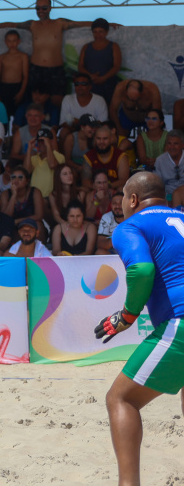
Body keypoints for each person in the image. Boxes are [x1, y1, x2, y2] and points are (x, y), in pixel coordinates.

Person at [94, 172, 184, 486]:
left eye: (121, 197)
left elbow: (142, 269)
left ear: (132, 200)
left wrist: (126, 317)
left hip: (180, 321)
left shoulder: (130, 225)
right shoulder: (180, 218)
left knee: (121, 399)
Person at [0, 0, 112, 106]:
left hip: (55, 69)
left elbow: (81, 23)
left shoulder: (59, 23)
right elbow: (12, 24)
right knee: (35, 103)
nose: (40, 11)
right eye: (38, 8)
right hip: (36, 69)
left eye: (44, 8)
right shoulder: (32, 25)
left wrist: (108, 24)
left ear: (50, 8)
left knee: (57, 103)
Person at [77, 18, 122, 102]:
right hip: (90, 85)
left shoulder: (114, 46)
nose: (98, 34)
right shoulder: (86, 47)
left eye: (101, 31)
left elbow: (116, 66)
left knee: (108, 108)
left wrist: (103, 78)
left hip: (109, 85)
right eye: (95, 32)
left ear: (107, 32)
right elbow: (80, 66)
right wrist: (90, 76)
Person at [83, 123, 130, 190]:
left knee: (121, 189)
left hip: (114, 191)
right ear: (94, 140)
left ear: (111, 139)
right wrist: (99, 188)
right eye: (98, 138)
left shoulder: (121, 156)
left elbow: (124, 180)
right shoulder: (89, 156)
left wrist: (107, 187)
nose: (101, 142)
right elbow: (85, 181)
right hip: (95, 191)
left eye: (105, 139)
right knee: (83, 191)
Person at [0, 30, 29, 118]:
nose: (12, 44)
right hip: (4, 88)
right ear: (5, 42)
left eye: (14, 40)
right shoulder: (1, 57)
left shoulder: (23, 56)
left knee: (18, 115)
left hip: (17, 87)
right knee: (4, 116)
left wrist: (21, 93)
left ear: (19, 41)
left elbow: (25, 76)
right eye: (9, 41)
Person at [1, 165, 44, 232]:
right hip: (12, 226)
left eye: (20, 178)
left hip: (30, 224)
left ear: (27, 181)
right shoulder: (5, 194)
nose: (16, 180)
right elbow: (5, 218)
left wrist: (18, 221)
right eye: (13, 177)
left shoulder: (35, 192)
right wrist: (13, 196)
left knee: (38, 225)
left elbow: (39, 215)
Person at [24, 127, 64, 199]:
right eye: (39, 141)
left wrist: (48, 145)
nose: (41, 143)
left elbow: (52, 165)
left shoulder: (59, 156)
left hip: (50, 197)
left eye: (43, 140)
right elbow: (26, 171)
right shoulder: (34, 157)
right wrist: (29, 149)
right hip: (34, 196)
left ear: (51, 141)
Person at [153, 129, 184, 199]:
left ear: (182, 145)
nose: (172, 147)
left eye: (175, 144)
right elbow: (157, 185)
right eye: (169, 143)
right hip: (167, 196)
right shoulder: (160, 160)